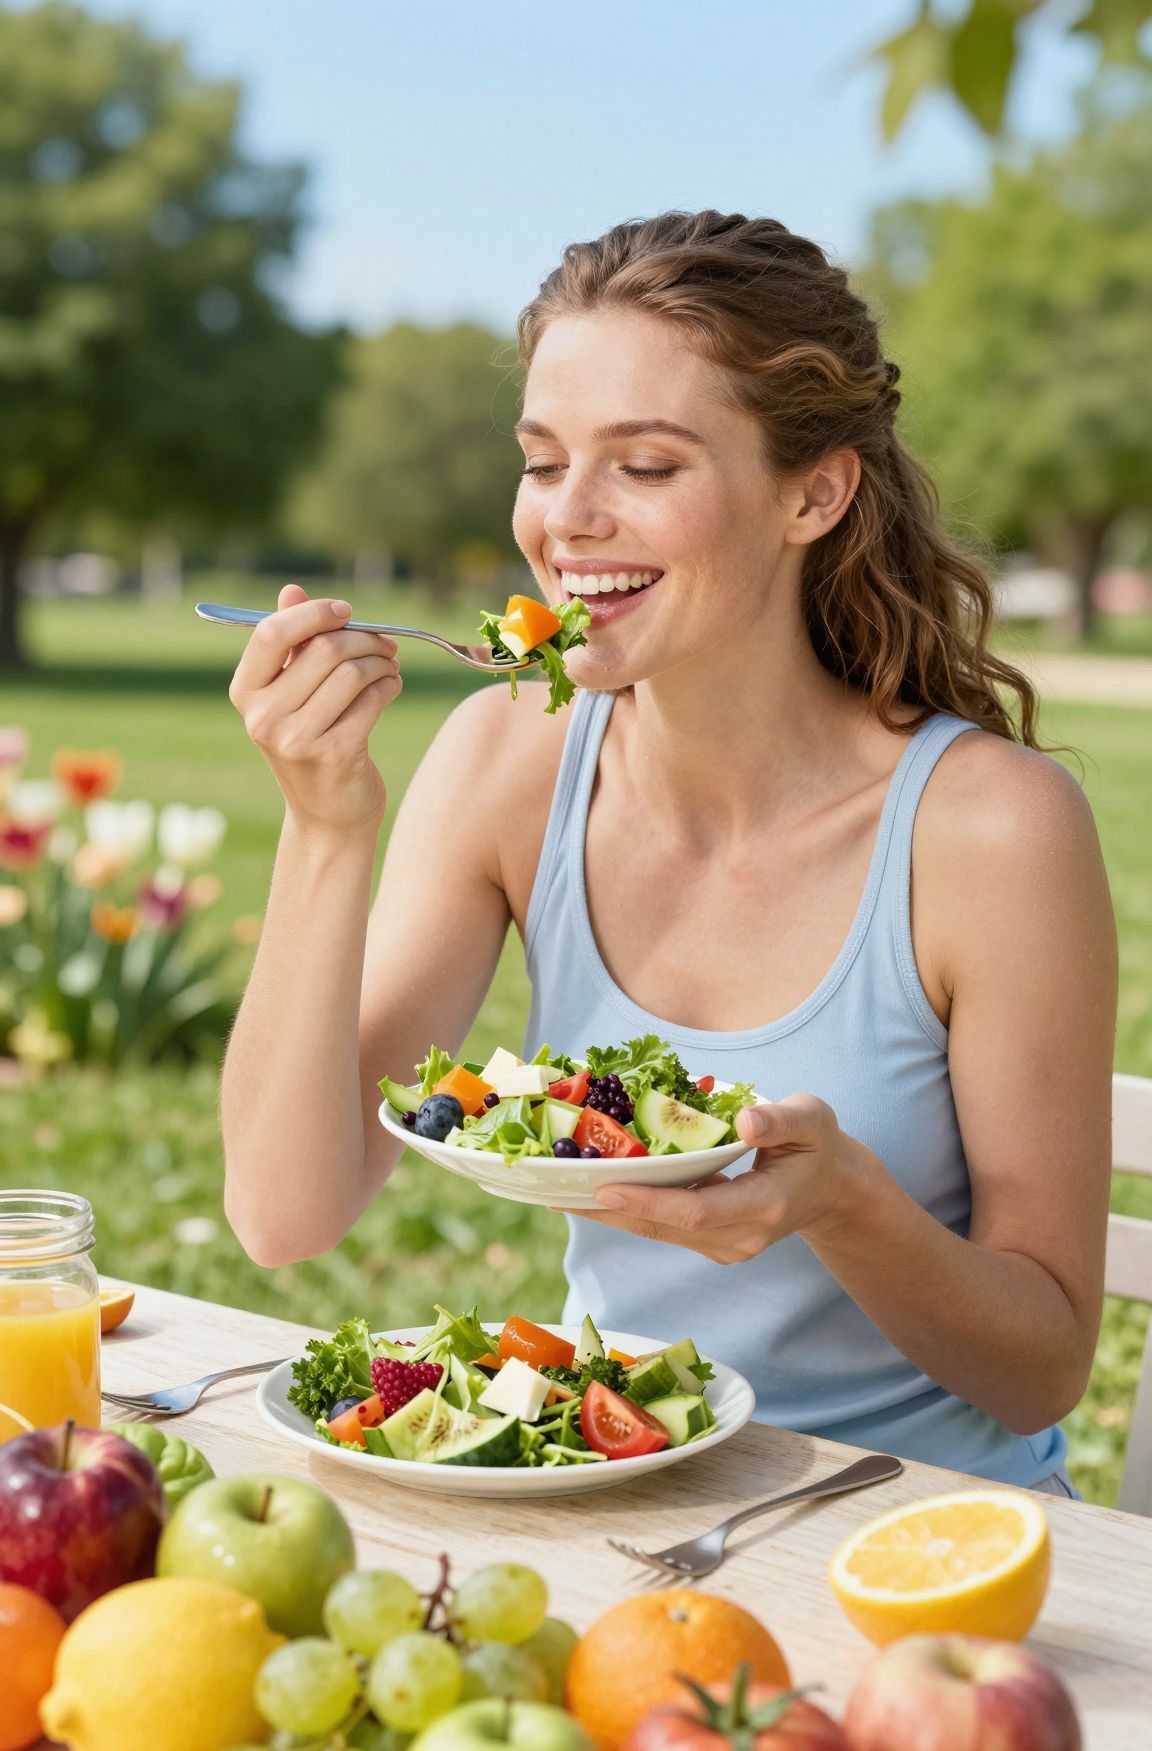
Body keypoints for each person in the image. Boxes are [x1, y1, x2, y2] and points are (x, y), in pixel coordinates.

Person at [220, 210, 1116, 1495]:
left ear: (814, 491)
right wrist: (323, 825)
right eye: (541, 462)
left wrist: (840, 1202)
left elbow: (1043, 1366)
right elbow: (282, 1212)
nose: (567, 523)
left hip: (921, 1542)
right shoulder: (508, 761)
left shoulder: (990, 828)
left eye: (645, 467)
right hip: (623, 1504)